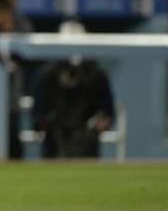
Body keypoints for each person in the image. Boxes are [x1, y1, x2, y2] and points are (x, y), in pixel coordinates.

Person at [30, 22, 115, 158]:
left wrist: (95, 126)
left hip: (88, 148)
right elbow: (37, 118)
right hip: (54, 149)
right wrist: (50, 124)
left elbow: (107, 113)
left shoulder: (97, 75)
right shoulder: (47, 76)